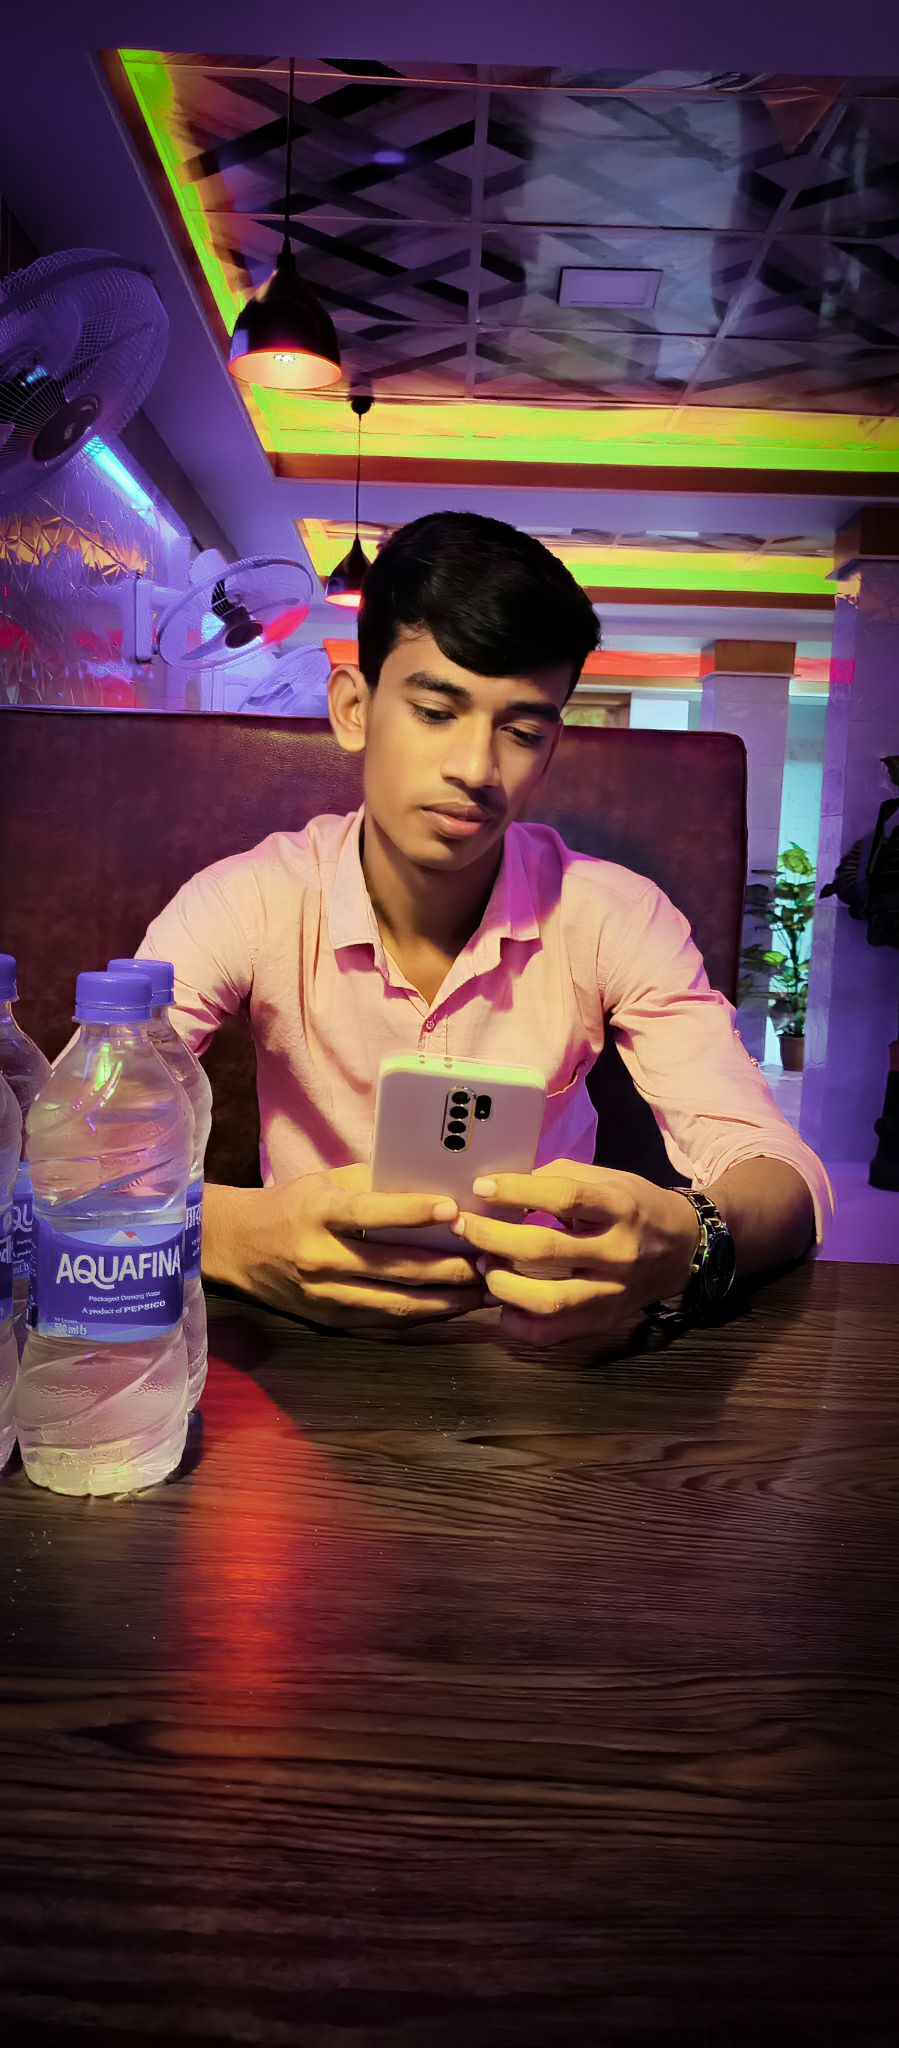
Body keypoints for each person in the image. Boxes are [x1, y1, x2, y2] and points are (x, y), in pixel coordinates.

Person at [139, 512, 832, 1351]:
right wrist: (229, 1235)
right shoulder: (246, 902)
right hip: (302, 1342)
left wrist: (687, 1241)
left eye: (523, 732)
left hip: (545, 1350)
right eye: (436, 711)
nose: (475, 769)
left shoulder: (615, 914)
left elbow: (781, 1178)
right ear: (354, 709)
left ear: (551, 749)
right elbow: (77, 1152)